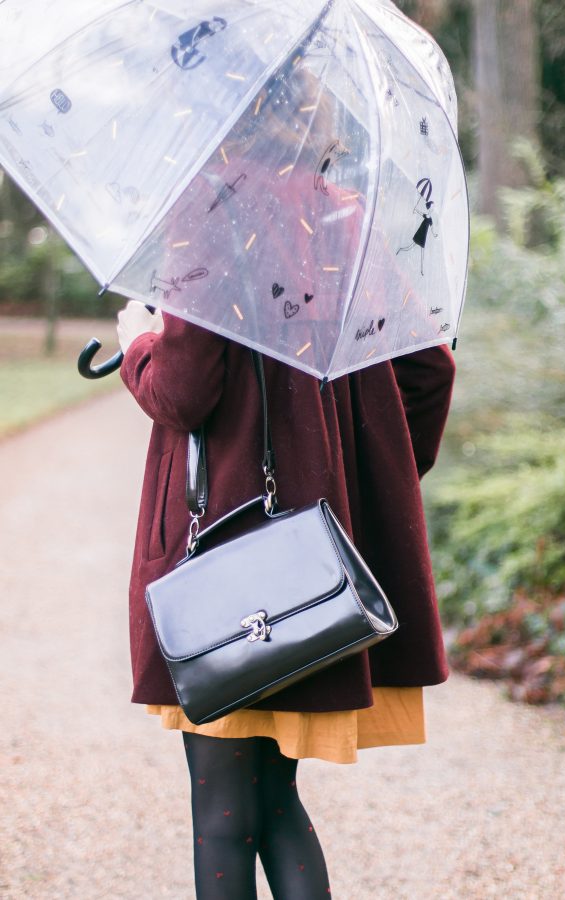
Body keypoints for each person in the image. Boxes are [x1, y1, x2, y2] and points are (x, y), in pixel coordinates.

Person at [117, 299, 455, 899]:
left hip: (226, 571)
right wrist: (364, 478)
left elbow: (183, 391)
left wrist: (140, 345)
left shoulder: (214, 244)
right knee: (274, 798)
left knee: (222, 812)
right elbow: (429, 369)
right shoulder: (347, 245)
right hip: (313, 571)